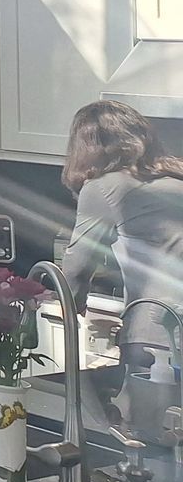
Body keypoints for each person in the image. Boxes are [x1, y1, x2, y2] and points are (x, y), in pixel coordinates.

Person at [62, 99, 183, 356]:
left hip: (158, 331)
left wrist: (72, 310)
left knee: (144, 395)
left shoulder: (103, 186)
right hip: (168, 325)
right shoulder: (176, 175)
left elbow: (77, 267)